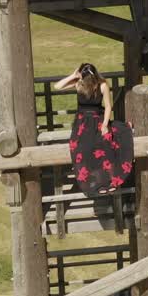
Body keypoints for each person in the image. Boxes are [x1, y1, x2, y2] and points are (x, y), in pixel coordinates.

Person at [53, 63, 135, 196]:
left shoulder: (102, 85)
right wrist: (73, 76)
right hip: (82, 121)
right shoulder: (79, 84)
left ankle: (110, 181)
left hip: (98, 118)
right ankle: (96, 182)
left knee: (105, 144)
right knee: (82, 147)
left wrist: (104, 124)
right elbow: (57, 86)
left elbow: (108, 106)